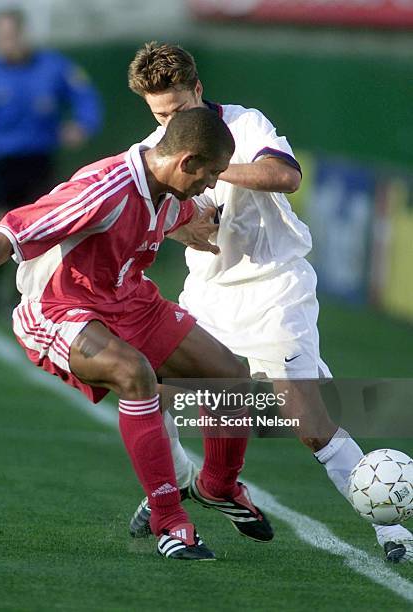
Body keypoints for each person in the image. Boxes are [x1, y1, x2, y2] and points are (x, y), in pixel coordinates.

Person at [0, 108, 273, 561]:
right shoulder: (103, 189)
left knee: (231, 378)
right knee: (133, 373)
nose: (212, 183)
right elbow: (10, 234)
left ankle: (216, 486)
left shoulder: (170, 190)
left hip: (130, 301)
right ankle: (169, 519)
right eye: (211, 173)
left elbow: (183, 214)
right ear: (187, 161)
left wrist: (200, 225)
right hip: (61, 309)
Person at [126, 41, 413, 563]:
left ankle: (393, 532)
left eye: (177, 110)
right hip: (209, 292)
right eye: (159, 115)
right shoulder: (155, 147)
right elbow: (162, 218)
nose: (169, 124)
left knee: (309, 424)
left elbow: (287, 175)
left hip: (274, 288)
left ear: (198, 90)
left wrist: (213, 168)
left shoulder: (244, 125)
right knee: (146, 385)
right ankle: (174, 488)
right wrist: (183, 227)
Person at [0, 9, 103, 314]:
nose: (7, 42)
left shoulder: (52, 66)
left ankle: (24, 290)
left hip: (39, 159)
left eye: (12, 35)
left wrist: (82, 124)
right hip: (0, 160)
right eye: (1, 37)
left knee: (39, 227)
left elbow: (84, 96)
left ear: (23, 34)